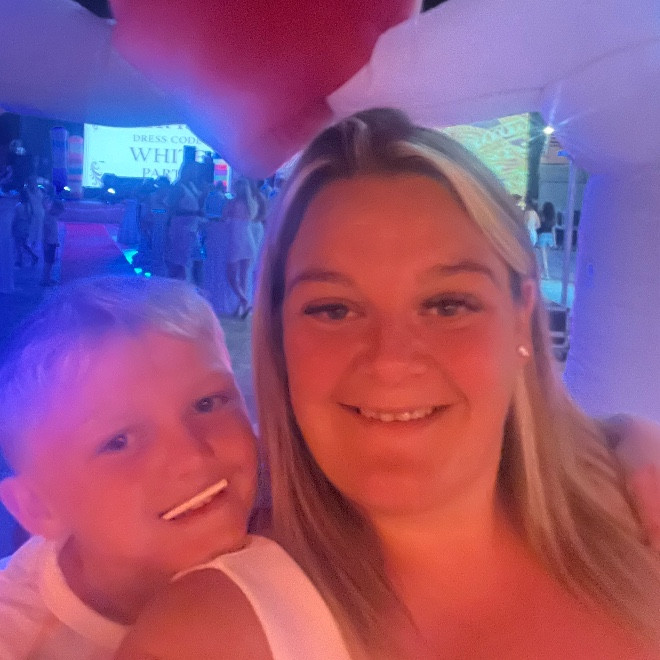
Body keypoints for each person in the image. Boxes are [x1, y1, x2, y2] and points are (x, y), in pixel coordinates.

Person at [119, 110, 660, 659]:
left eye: (447, 305)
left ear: (521, 319)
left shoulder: (637, 513)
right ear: (279, 338)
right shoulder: (206, 638)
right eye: (333, 309)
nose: (391, 360)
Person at [0, 276, 349, 660]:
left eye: (207, 404)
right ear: (38, 507)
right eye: (119, 441)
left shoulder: (307, 496)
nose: (191, 457)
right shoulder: (20, 639)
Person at [224, 177, 258, 318]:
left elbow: (223, 216)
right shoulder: (251, 204)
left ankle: (243, 301)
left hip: (236, 239)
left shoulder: (233, 203)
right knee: (244, 276)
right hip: (248, 239)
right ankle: (242, 307)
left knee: (231, 275)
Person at [164, 162, 205, 280]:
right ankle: (180, 283)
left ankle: (191, 283)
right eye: (193, 171)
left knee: (195, 258)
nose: (196, 173)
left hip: (193, 226)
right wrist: (191, 212)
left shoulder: (192, 186)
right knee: (181, 259)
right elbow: (171, 207)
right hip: (181, 226)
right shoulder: (178, 187)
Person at [11, 189, 38, 267]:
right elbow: (31, 218)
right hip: (26, 227)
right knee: (24, 244)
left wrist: (12, 228)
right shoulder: (29, 206)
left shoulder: (18, 206)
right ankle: (33, 256)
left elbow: (15, 219)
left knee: (18, 244)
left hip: (19, 226)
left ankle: (19, 260)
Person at [40, 198, 64, 285]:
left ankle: (47, 278)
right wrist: (45, 243)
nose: (59, 214)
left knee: (50, 262)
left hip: (52, 242)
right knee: (48, 262)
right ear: (55, 208)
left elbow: (54, 231)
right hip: (49, 243)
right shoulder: (48, 217)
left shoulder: (53, 217)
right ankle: (45, 280)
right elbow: (46, 231)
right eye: (59, 211)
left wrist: (56, 241)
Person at [537, 201, 556, 278]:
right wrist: (554, 242)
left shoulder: (542, 217)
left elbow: (538, 227)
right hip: (550, 237)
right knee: (545, 257)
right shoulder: (552, 219)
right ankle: (541, 273)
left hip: (542, 237)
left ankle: (547, 274)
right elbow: (553, 231)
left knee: (543, 257)